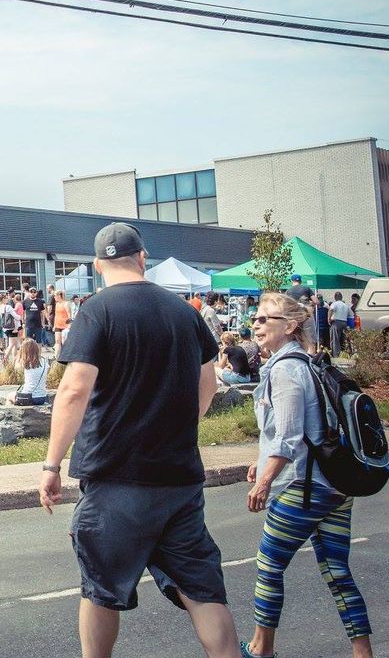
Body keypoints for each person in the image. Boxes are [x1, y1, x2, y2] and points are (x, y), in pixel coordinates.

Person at [40, 222, 238, 658]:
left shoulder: (97, 310)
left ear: (97, 265)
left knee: (100, 589)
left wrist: (52, 465)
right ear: (142, 258)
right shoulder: (185, 312)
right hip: (178, 478)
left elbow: (75, 388)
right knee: (203, 592)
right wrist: (182, 424)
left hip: (115, 476)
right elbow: (207, 380)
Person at [243, 292, 374, 658]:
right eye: (255, 317)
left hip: (304, 489)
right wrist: (261, 460)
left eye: (264, 319)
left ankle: (260, 649)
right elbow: (303, 430)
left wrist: (265, 481)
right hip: (335, 485)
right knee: (337, 573)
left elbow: (288, 437)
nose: (255, 323)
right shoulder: (308, 363)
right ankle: (363, 654)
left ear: (289, 326)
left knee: (268, 566)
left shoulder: (286, 368)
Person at [15, 338, 50, 405]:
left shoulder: (25, 362)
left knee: (9, 396)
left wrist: (19, 355)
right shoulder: (44, 361)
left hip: (27, 397)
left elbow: (16, 368)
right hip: (42, 397)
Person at [328, 291, 351, 358]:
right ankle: (344, 353)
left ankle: (336, 355)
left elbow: (331, 310)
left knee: (335, 339)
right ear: (341, 297)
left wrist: (328, 318)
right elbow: (350, 315)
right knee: (343, 339)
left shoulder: (334, 304)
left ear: (335, 297)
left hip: (336, 322)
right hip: (344, 322)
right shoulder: (346, 305)